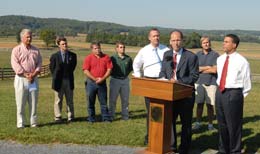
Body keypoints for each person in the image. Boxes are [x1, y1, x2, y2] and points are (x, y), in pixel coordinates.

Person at [159, 30, 199, 154]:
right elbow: (163, 72)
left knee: (186, 123)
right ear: (170, 42)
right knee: (170, 121)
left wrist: (178, 81)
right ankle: (172, 147)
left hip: (185, 96)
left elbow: (194, 76)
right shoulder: (166, 54)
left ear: (182, 41)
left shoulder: (191, 56)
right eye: (173, 40)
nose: (176, 43)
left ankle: (184, 148)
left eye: (178, 40)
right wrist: (162, 79)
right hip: (170, 95)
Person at [133, 28, 170, 145]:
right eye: (154, 36)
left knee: (163, 110)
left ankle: (163, 136)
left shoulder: (166, 49)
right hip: (149, 82)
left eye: (158, 36)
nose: (156, 38)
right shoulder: (144, 50)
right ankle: (150, 136)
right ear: (149, 38)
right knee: (151, 111)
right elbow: (136, 64)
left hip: (163, 82)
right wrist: (139, 78)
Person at [216, 34, 251, 154]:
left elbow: (247, 84)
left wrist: (237, 97)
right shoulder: (220, 59)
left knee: (234, 126)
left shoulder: (242, 61)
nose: (223, 44)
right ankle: (223, 150)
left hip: (234, 94)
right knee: (222, 124)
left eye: (226, 42)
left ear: (234, 45)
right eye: (224, 41)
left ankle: (235, 151)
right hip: (220, 93)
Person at [11, 28, 42, 128]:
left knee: (33, 102)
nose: (30, 38)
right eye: (27, 37)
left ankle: (33, 122)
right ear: (22, 38)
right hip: (21, 79)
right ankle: (21, 123)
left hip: (33, 79)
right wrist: (25, 74)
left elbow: (39, 63)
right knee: (20, 102)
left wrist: (34, 74)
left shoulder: (36, 50)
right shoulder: (16, 50)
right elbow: (15, 64)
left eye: (31, 36)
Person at [193, 36, 219, 131]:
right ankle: (198, 123)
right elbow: (195, 69)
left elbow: (215, 70)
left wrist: (201, 69)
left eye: (208, 42)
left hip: (211, 83)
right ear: (201, 44)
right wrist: (207, 67)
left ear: (210, 43)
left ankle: (210, 125)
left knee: (210, 106)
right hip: (199, 83)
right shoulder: (197, 55)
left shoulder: (215, 55)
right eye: (204, 43)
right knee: (199, 105)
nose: (206, 44)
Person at [82, 42, 112, 123]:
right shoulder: (88, 58)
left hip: (102, 83)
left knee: (103, 102)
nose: (97, 50)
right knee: (90, 102)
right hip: (91, 83)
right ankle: (91, 118)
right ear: (92, 49)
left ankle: (105, 118)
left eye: (98, 48)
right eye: (95, 48)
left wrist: (102, 79)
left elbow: (109, 70)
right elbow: (85, 70)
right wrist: (95, 79)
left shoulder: (106, 57)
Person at [49, 37, 77, 123]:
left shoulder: (73, 55)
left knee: (70, 100)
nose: (65, 45)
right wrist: (57, 76)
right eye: (63, 44)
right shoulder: (54, 56)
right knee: (58, 100)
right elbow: (52, 69)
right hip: (58, 81)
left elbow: (73, 68)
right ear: (58, 45)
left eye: (65, 43)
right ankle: (58, 117)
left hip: (68, 80)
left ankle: (70, 117)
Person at [109, 42, 133, 120]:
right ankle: (111, 116)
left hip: (125, 80)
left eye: (123, 47)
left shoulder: (128, 58)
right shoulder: (112, 58)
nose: (122, 49)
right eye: (120, 47)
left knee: (125, 99)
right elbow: (109, 69)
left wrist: (125, 76)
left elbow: (130, 69)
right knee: (113, 99)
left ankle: (125, 116)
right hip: (115, 80)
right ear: (116, 49)